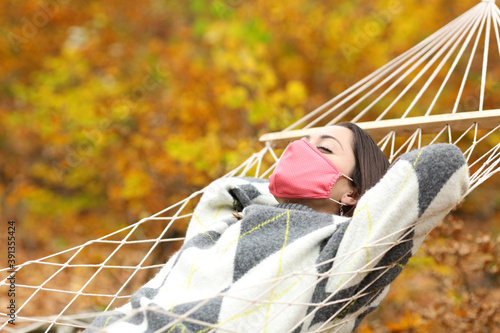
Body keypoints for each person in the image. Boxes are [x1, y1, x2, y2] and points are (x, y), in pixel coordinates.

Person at [86, 123, 469, 333]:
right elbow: (223, 193)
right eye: (302, 142)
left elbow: (441, 163)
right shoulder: (228, 224)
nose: (300, 150)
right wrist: (270, 192)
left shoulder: (346, 252)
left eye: (324, 149)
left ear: (352, 192)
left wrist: (371, 204)